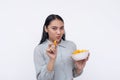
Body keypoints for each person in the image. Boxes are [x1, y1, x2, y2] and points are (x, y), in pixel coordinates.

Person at [34, 14, 89, 80]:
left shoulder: (71, 45)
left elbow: (74, 74)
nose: (59, 32)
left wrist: (79, 68)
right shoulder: (39, 49)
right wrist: (52, 60)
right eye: (54, 28)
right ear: (46, 29)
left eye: (61, 28)